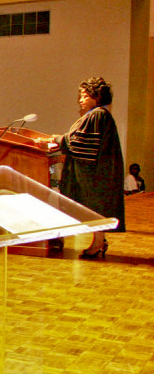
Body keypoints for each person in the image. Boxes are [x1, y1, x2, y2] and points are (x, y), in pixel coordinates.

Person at [36, 77, 126, 258]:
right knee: (95, 208)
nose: (80, 100)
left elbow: (80, 143)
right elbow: (79, 140)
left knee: (94, 207)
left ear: (96, 96)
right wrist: (59, 139)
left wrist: (56, 139)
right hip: (99, 169)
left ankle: (98, 243)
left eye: (85, 96)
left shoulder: (97, 115)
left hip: (95, 173)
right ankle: (99, 241)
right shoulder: (99, 115)